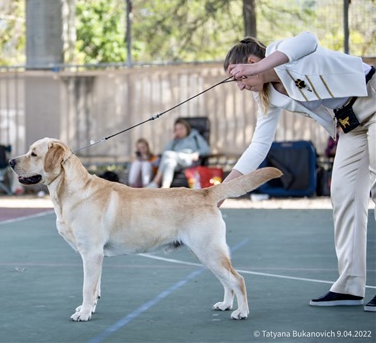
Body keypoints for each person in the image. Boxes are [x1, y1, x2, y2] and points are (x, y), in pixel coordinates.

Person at [223, 31, 375, 312]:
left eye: (240, 78)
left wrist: (257, 68)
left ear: (254, 62)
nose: (241, 87)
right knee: (343, 195)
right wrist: (222, 191)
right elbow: (259, 146)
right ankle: (350, 286)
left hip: (373, 98)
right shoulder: (268, 96)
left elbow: (310, 39)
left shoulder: (284, 53)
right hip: (352, 126)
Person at [146, 118, 210, 188]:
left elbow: (206, 149)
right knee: (170, 163)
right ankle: (165, 187)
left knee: (168, 154)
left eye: (181, 128)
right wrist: (172, 140)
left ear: (187, 128)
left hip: (190, 159)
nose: (179, 131)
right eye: (177, 129)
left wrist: (197, 153)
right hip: (177, 161)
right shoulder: (176, 140)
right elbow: (165, 152)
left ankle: (156, 182)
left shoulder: (194, 136)